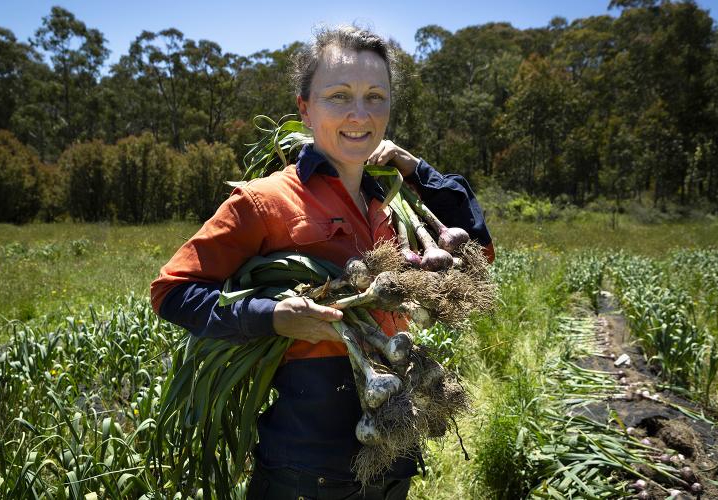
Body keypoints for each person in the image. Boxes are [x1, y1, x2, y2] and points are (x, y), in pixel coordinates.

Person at [150, 25, 493, 500]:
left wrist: (415, 168)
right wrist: (272, 318)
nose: (359, 113)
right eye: (338, 96)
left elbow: (479, 256)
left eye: (376, 96)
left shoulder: (391, 203)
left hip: (392, 449)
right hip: (305, 470)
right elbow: (171, 291)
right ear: (305, 109)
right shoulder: (264, 200)